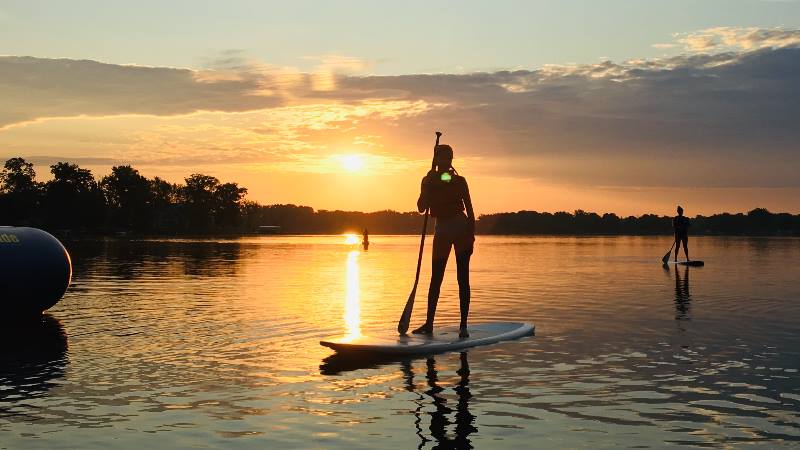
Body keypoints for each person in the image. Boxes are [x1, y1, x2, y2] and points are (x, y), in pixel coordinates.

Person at [412, 144, 475, 338]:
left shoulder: (459, 180)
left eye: (449, 158)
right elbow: (421, 207)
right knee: (435, 278)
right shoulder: (428, 179)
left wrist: (471, 233)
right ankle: (429, 324)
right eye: (443, 158)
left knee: (462, 277)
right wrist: (427, 188)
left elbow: (470, 209)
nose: (446, 162)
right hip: (442, 229)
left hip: (461, 228)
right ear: (436, 159)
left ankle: (463, 325)